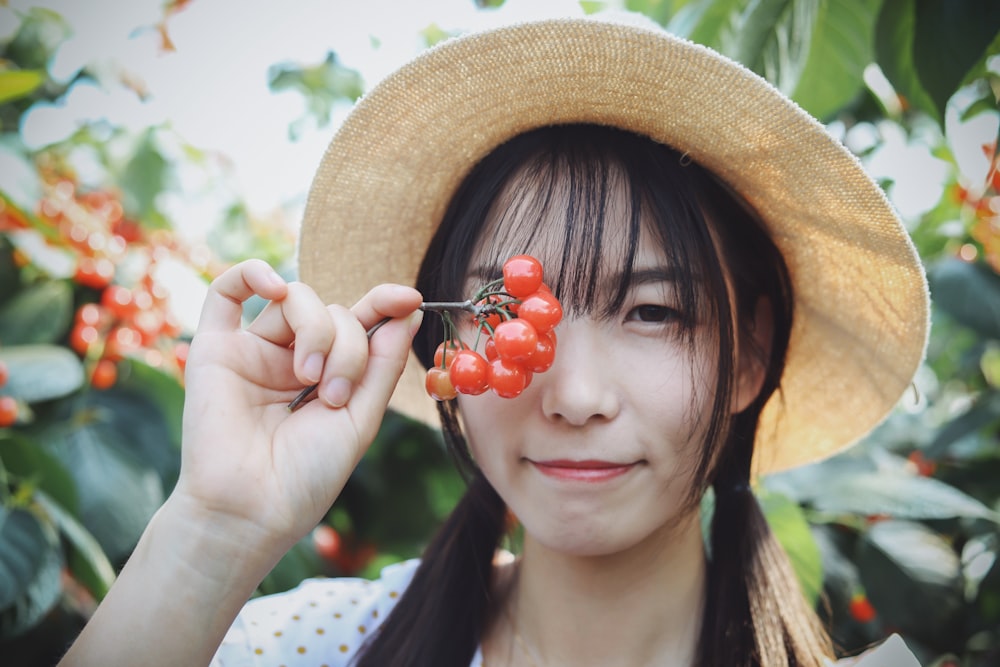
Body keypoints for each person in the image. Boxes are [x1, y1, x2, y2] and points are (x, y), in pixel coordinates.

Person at [58, 14, 929, 667]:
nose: (577, 394)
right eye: (506, 314)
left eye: (654, 313)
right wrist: (216, 530)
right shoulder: (305, 647)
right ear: (448, 347)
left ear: (746, 356)